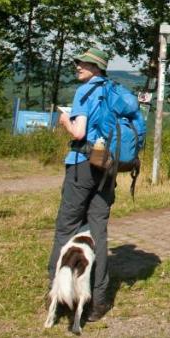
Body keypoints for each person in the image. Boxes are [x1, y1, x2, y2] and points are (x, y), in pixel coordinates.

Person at [49, 48, 117, 323]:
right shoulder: (113, 91)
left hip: (82, 163)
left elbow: (78, 132)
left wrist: (65, 120)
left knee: (67, 226)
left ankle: (58, 295)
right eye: (78, 62)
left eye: (85, 63)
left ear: (96, 67)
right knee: (98, 230)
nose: (78, 66)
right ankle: (98, 301)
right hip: (107, 164)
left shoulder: (84, 92)